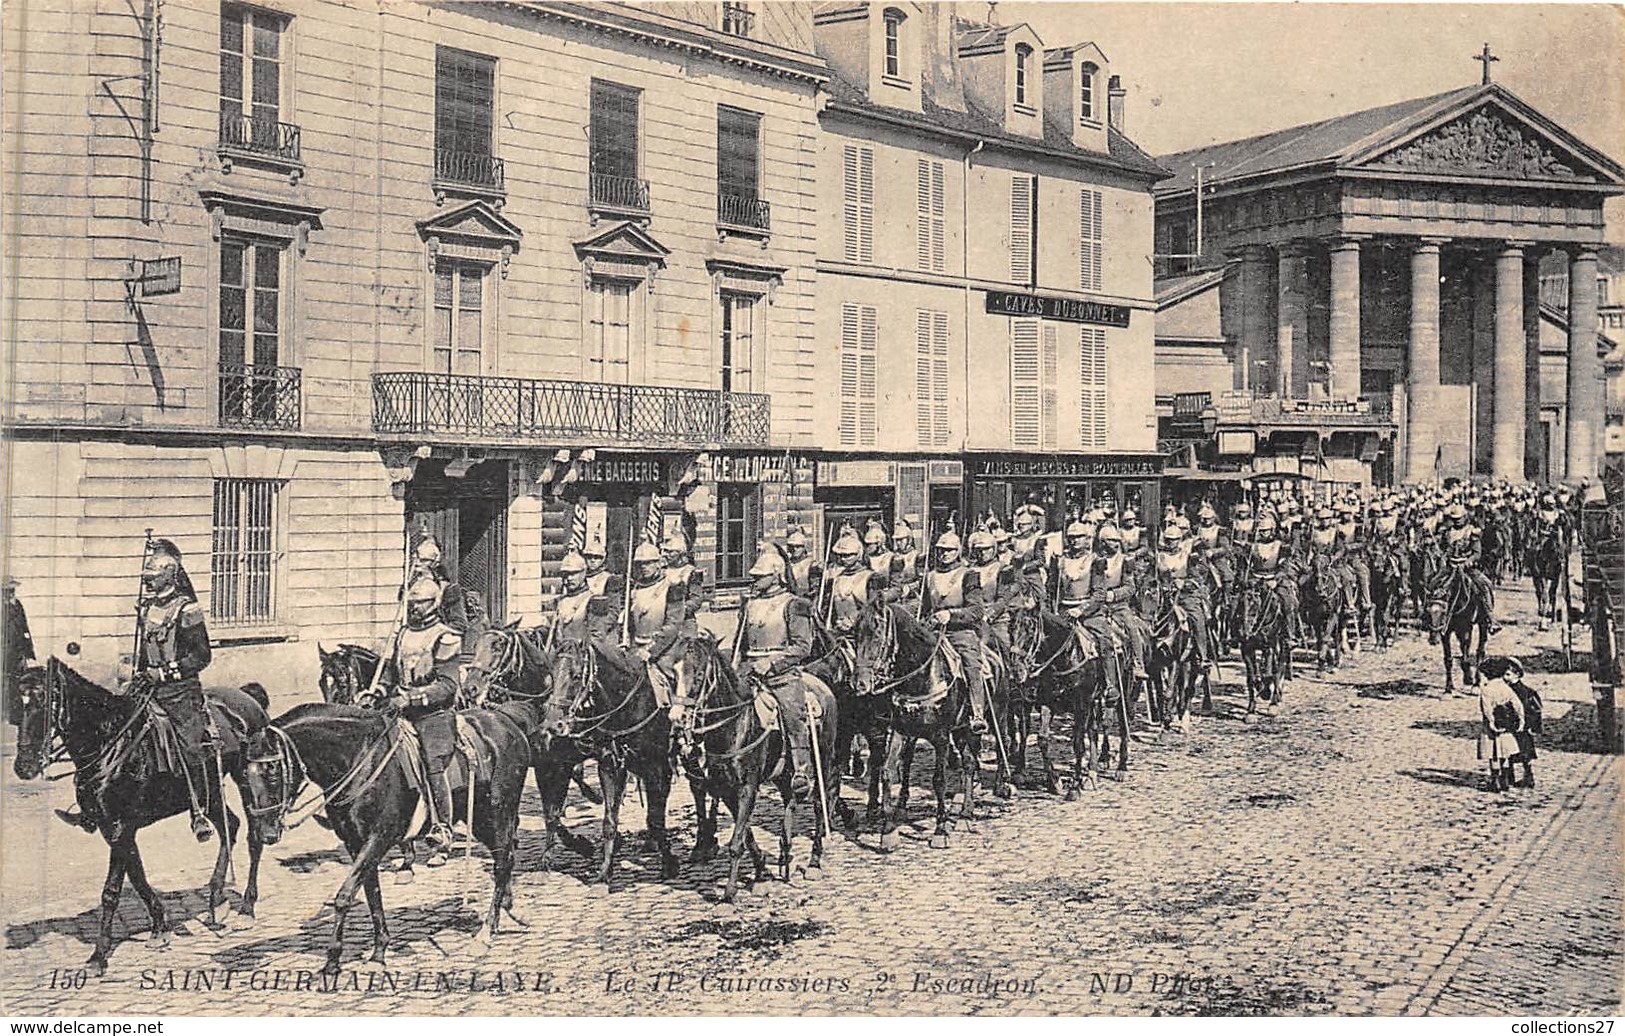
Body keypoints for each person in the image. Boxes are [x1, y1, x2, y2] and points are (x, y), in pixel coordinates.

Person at [59, 541, 219, 839]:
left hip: (180, 691)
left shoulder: (187, 609)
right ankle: (94, 806)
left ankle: (199, 810)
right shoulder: (149, 607)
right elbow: (147, 651)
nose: (148, 580)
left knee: (191, 745)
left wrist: (164, 672)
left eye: (153, 576)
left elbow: (201, 656)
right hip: (148, 686)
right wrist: (138, 671)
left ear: (170, 575)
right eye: (147, 576)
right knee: (109, 730)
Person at [382, 575, 464, 862]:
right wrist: (379, 689)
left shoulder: (445, 636)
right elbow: (391, 673)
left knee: (432, 765)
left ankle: (442, 829)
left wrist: (414, 698)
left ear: (434, 603)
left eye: (420, 603)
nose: (414, 608)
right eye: (412, 603)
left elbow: (447, 686)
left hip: (434, 715)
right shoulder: (403, 634)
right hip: (400, 709)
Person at [735, 549, 821, 799]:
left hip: (782, 675)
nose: (755, 580)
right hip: (749, 671)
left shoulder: (794, 604)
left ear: (775, 576)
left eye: (760, 576)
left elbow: (802, 647)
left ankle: (801, 770)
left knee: (793, 714)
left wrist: (771, 663)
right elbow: (742, 644)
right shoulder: (750, 603)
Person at [921, 529, 988, 734]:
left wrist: (951, 615)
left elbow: (976, 610)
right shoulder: (930, 576)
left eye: (949, 550)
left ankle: (977, 713)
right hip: (934, 631)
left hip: (960, 632)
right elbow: (924, 608)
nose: (944, 554)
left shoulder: (968, 575)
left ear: (957, 551)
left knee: (971, 664)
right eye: (941, 550)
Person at [626, 541, 688, 715]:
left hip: (666, 650)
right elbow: (632, 624)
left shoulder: (673, 586)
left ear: (658, 562)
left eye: (649, 562)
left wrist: (651, 650)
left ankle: (677, 722)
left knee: (667, 680)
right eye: (640, 564)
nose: (644, 567)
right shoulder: (635, 588)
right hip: (637, 648)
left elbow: (673, 625)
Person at [1476, 656, 1525, 793]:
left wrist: (1492, 723)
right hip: (1507, 726)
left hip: (1492, 728)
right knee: (1505, 753)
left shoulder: (1486, 690)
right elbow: (1517, 705)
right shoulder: (1506, 688)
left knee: (1494, 754)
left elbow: (1486, 709)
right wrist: (1521, 721)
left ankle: (1495, 780)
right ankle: (1505, 780)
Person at [3, 575, 34, 726]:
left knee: (18, 684)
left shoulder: (17, 605)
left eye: (12, 590)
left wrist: (27, 652)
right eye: (7, 590)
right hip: (4, 654)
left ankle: (16, 717)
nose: (11, 593)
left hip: (18, 653)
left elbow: (24, 628)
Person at [889, 518, 925, 600]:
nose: (898, 543)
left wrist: (910, 587)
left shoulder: (917, 556)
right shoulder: (892, 556)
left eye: (901, 540)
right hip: (894, 594)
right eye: (897, 540)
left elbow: (922, 581)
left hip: (911, 596)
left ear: (909, 539)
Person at [783, 525, 822, 599]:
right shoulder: (786, 564)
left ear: (804, 547)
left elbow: (816, 589)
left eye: (798, 546)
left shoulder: (812, 565)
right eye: (792, 546)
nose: (794, 549)